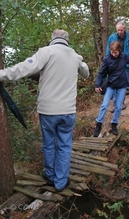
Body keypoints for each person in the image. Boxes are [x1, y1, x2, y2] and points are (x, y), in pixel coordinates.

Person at [0, 29, 89, 192]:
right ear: (67, 41)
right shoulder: (74, 55)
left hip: (48, 111)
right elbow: (86, 73)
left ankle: (50, 174)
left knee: (49, 144)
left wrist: (2, 74)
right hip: (68, 110)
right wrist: (80, 61)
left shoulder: (46, 52)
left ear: (52, 39)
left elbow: (23, 69)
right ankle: (61, 182)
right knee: (64, 145)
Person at [94, 41, 129, 137]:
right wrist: (97, 85)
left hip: (121, 86)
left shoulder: (124, 57)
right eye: (112, 52)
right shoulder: (107, 59)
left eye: (115, 52)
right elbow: (101, 73)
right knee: (104, 105)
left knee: (118, 106)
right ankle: (98, 124)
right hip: (111, 85)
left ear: (119, 51)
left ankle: (114, 124)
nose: (114, 54)